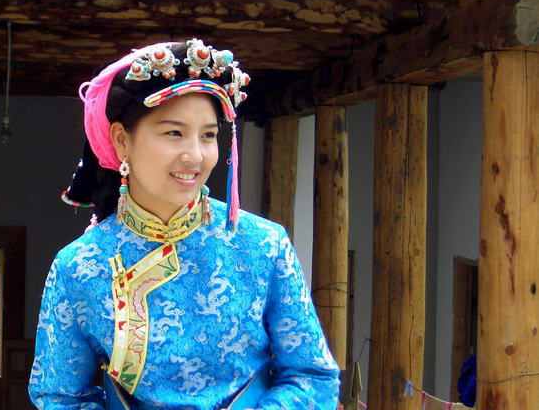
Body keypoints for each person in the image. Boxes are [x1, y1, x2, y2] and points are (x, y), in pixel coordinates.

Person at [29, 40, 340, 409]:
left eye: (208, 135)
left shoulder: (263, 245)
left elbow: (312, 375)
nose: (195, 155)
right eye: (174, 133)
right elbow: (59, 395)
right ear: (122, 140)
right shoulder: (79, 265)